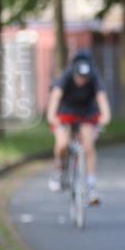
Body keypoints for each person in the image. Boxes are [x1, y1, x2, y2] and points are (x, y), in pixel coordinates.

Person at [46, 50, 112, 204]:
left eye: (85, 78)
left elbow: (102, 99)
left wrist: (105, 116)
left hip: (86, 113)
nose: (82, 81)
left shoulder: (94, 78)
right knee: (62, 144)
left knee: (88, 146)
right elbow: (55, 98)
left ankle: (91, 186)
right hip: (66, 111)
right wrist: (52, 117)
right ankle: (59, 169)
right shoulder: (66, 76)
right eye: (79, 77)